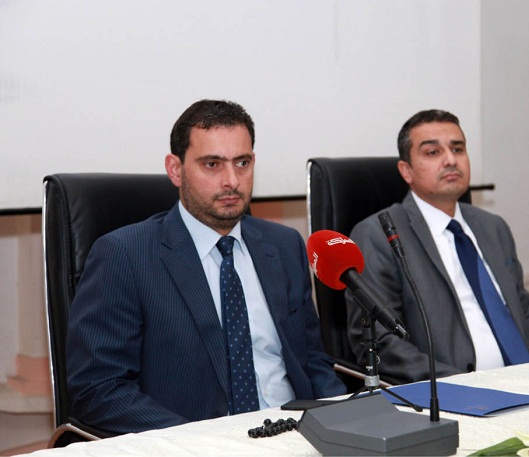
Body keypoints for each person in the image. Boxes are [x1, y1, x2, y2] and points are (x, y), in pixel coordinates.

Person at [66, 99, 345, 434]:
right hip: (195, 441)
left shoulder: (284, 245)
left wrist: (346, 423)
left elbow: (312, 361)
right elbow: (98, 388)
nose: (232, 181)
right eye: (212, 164)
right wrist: (200, 443)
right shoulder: (125, 255)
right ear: (175, 169)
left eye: (242, 163)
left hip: (297, 433)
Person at [345, 109, 529, 384]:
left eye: (458, 149)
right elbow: (381, 342)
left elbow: (526, 315)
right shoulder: (377, 235)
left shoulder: (493, 227)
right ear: (406, 171)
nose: (450, 160)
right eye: (433, 152)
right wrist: (463, 386)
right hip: (456, 392)